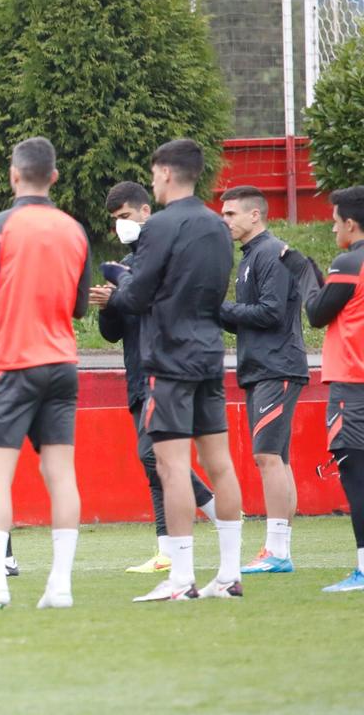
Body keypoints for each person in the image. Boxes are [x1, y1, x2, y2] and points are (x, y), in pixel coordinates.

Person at [0, 137, 90, 614]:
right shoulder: (75, 231)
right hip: (63, 361)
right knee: (60, 472)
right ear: (54, 176)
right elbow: (82, 305)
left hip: (12, 363)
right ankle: (61, 584)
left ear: (13, 175)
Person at [106, 139, 245, 603]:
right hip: (208, 353)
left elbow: (135, 295)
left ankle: (182, 577)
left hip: (167, 357)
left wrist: (119, 280)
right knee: (220, 464)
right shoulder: (215, 224)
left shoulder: (160, 226)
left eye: (152, 174)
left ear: (165, 173)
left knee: (171, 467)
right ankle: (228, 574)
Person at [97, 181, 218, 573]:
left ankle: (218, 511)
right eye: (115, 221)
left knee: (154, 455)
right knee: (154, 469)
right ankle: (166, 551)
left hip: (165, 367)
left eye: (125, 217)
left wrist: (122, 290)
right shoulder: (127, 264)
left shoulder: (161, 255)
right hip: (137, 369)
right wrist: (108, 304)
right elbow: (112, 332)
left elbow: (156, 302)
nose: (121, 226)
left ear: (145, 212)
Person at [218, 186, 311, 575]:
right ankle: (279, 549)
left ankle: (276, 551)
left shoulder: (271, 253)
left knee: (267, 457)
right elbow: (249, 315)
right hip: (263, 368)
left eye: (231, 214)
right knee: (278, 459)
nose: (225, 221)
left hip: (277, 367)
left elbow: (271, 313)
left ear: (255, 215)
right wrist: (217, 312)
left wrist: (218, 308)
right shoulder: (250, 257)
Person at [307, 185, 364, 593]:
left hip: (353, 388)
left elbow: (316, 312)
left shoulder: (349, 262)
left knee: (357, 478)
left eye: (333, 222)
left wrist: (307, 278)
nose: (332, 230)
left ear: (350, 223)